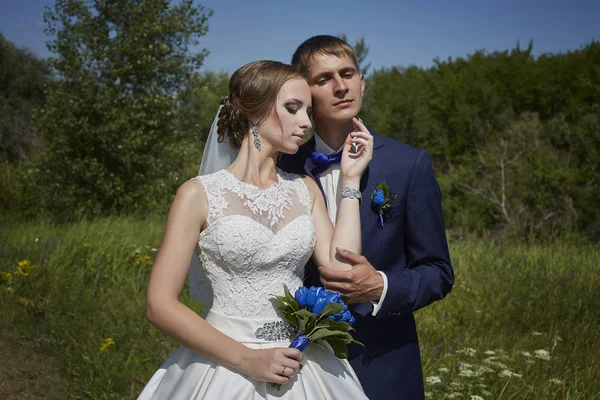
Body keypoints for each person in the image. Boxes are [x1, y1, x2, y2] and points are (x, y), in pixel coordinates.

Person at [137, 60, 373, 399]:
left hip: (303, 362)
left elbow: (343, 270)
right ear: (255, 111)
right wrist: (248, 360)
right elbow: (159, 305)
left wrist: (351, 180)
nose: (306, 122)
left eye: (307, 110)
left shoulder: (305, 189)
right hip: (225, 364)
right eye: (292, 108)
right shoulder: (199, 194)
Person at [278, 35, 455, 400]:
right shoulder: (282, 166)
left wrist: (382, 288)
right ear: (304, 92)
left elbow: (438, 270)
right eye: (324, 79)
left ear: (363, 82)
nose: (340, 86)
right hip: (295, 363)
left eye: (348, 73)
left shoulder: (409, 164)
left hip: (382, 365)